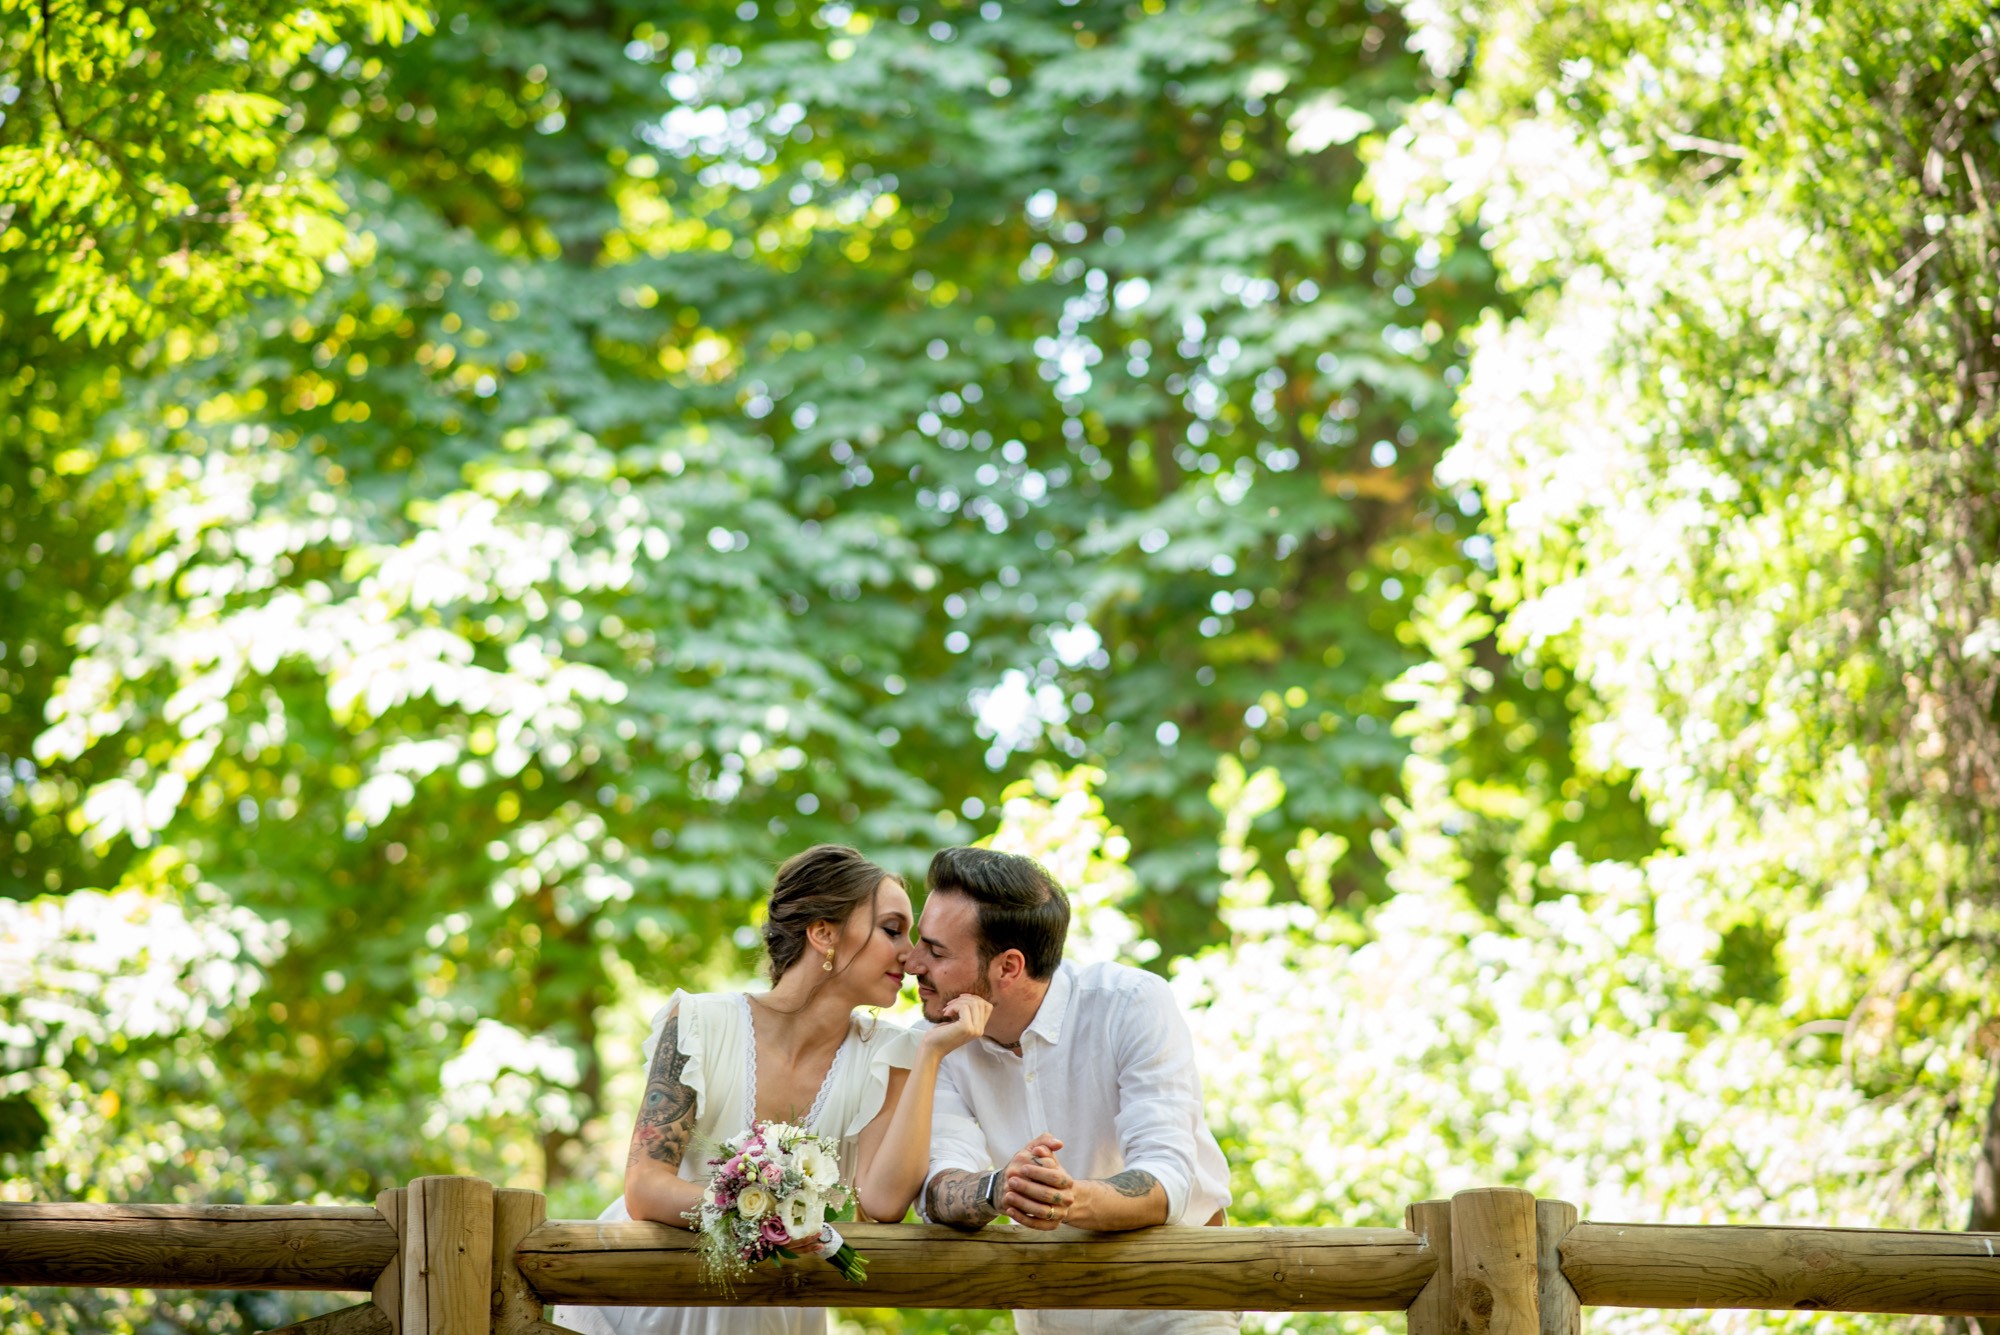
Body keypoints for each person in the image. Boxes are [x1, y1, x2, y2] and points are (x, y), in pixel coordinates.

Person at [554, 844, 991, 1335]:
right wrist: (762, 1220)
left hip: (774, 1310)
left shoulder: (890, 1053)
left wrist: (931, 1055)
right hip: (654, 1293)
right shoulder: (697, 1023)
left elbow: (885, 1202)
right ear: (824, 933)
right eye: (892, 929)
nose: (910, 957)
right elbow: (644, 1186)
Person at [905, 846, 1237, 1335]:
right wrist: (1002, 1188)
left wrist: (1064, 1198)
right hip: (1048, 1319)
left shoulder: (1130, 1003)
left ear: (1009, 967)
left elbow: (1168, 1178)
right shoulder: (934, 1042)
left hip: (1175, 1305)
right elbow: (935, 1189)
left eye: (935, 951)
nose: (912, 963)